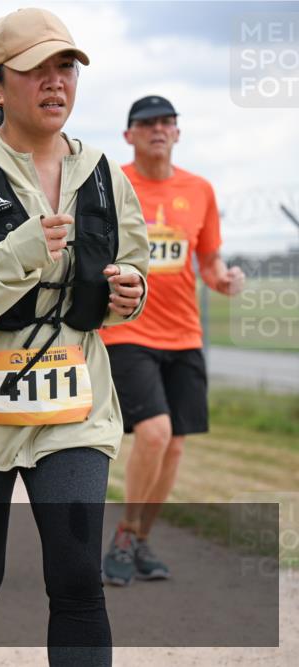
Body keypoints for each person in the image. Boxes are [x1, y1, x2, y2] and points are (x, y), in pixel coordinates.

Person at [0, 8, 150, 666]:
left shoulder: (103, 173)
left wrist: (130, 289)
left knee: (76, 581)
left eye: (65, 67)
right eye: (35, 69)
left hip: (73, 405)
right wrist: (16, 254)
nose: (54, 82)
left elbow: (133, 264)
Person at [100, 96, 246, 586]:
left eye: (166, 122)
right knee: (154, 432)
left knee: (175, 447)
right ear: (129, 135)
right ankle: (123, 536)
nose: (157, 130)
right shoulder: (112, 183)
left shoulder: (199, 189)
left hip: (185, 335)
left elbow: (207, 261)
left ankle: (141, 539)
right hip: (127, 329)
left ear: (178, 133)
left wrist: (223, 279)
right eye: (146, 123)